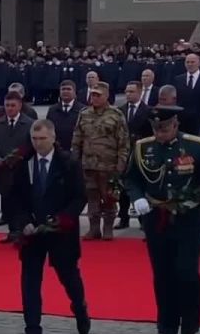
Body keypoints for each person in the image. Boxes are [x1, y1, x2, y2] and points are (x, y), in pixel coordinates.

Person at [124, 106, 200, 334]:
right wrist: (137, 197)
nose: (160, 133)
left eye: (164, 129)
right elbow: (130, 177)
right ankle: (166, 325)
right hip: (156, 218)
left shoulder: (195, 145)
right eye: (156, 129)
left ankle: (189, 328)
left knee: (186, 273)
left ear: (175, 125)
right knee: (163, 273)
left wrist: (197, 197)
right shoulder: (143, 147)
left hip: (188, 218)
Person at [9, 119, 90, 334]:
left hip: (60, 232)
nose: (38, 143)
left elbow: (79, 197)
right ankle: (32, 331)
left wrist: (64, 219)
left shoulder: (68, 163)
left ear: (53, 138)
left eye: (42, 139)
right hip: (32, 234)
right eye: (34, 139)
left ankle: (79, 307)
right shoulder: (23, 163)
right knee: (30, 282)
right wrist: (22, 222)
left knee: (69, 277)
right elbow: (15, 198)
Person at [71, 82, 129, 240]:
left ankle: (108, 228)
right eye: (93, 94)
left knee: (109, 197)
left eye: (98, 95)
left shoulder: (116, 115)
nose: (94, 98)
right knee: (92, 198)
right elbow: (77, 139)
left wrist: (120, 165)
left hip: (109, 166)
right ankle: (94, 228)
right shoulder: (84, 113)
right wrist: (74, 161)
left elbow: (123, 142)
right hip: (88, 165)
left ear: (106, 96)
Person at [0, 91, 36, 238]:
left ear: (20, 106)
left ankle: (24, 229)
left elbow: (31, 145)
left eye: (12, 105)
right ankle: (12, 231)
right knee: (7, 199)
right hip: (4, 169)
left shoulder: (29, 123)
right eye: (7, 105)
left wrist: (18, 157)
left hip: (22, 168)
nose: (9, 108)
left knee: (22, 200)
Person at [117, 81, 152, 230]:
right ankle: (123, 218)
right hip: (124, 153)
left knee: (141, 187)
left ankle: (143, 220)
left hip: (141, 154)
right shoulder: (120, 110)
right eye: (126, 91)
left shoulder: (149, 111)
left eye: (131, 92)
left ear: (139, 93)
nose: (128, 94)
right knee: (123, 187)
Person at [45, 79, 83, 152]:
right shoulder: (52, 110)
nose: (65, 91)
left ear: (74, 92)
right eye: (63, 89)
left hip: (76, 151)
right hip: (57, 150)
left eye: (69, 89)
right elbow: (48, 129)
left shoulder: (82, 110)